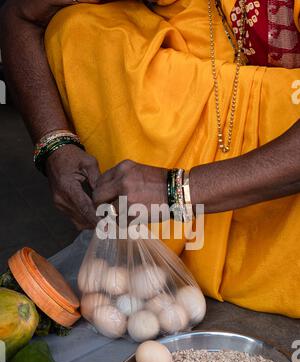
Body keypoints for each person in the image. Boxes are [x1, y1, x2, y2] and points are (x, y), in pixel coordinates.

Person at [1, 0, 300, 318]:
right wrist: (54, 145)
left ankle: (209, 239)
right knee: (79, 29)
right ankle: (169, 243)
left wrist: (176, 190)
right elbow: (18, 15)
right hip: (216, 76)